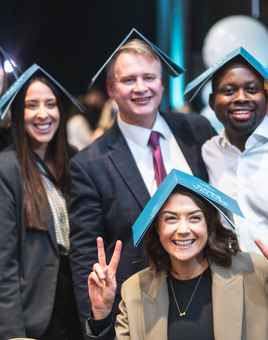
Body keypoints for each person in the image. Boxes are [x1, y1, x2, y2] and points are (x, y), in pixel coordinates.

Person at [69, 29, 216, 325]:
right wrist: (96, 321)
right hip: (135, 309)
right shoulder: (90, 164)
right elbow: (86, 252)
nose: (141, 88)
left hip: (206, 296)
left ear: (161, 84)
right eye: (128, 80)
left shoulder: (196, 131)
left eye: (149, 78)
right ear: (111, 89)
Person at [87, 169, 268, 340]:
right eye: (171, 218)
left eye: (195, 218)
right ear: (157, 228)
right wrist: (101, 315)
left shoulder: (255, 272)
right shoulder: (135, 290)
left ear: (209, 225)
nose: (183, 230)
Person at [0, 64, 83, 340]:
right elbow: (4, 262)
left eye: (51, 104)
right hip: (32, 313)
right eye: (31, 105)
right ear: (16, 113)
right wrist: (12, 332)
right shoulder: (7, 168)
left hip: (76, 307)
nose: (43, 114)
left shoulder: (74, 162)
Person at [185, 47, 268, 254]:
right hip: (226, 275)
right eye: (229, 91)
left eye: (251, 89)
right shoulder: (207, 152)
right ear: (213, 102)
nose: (240, 98)